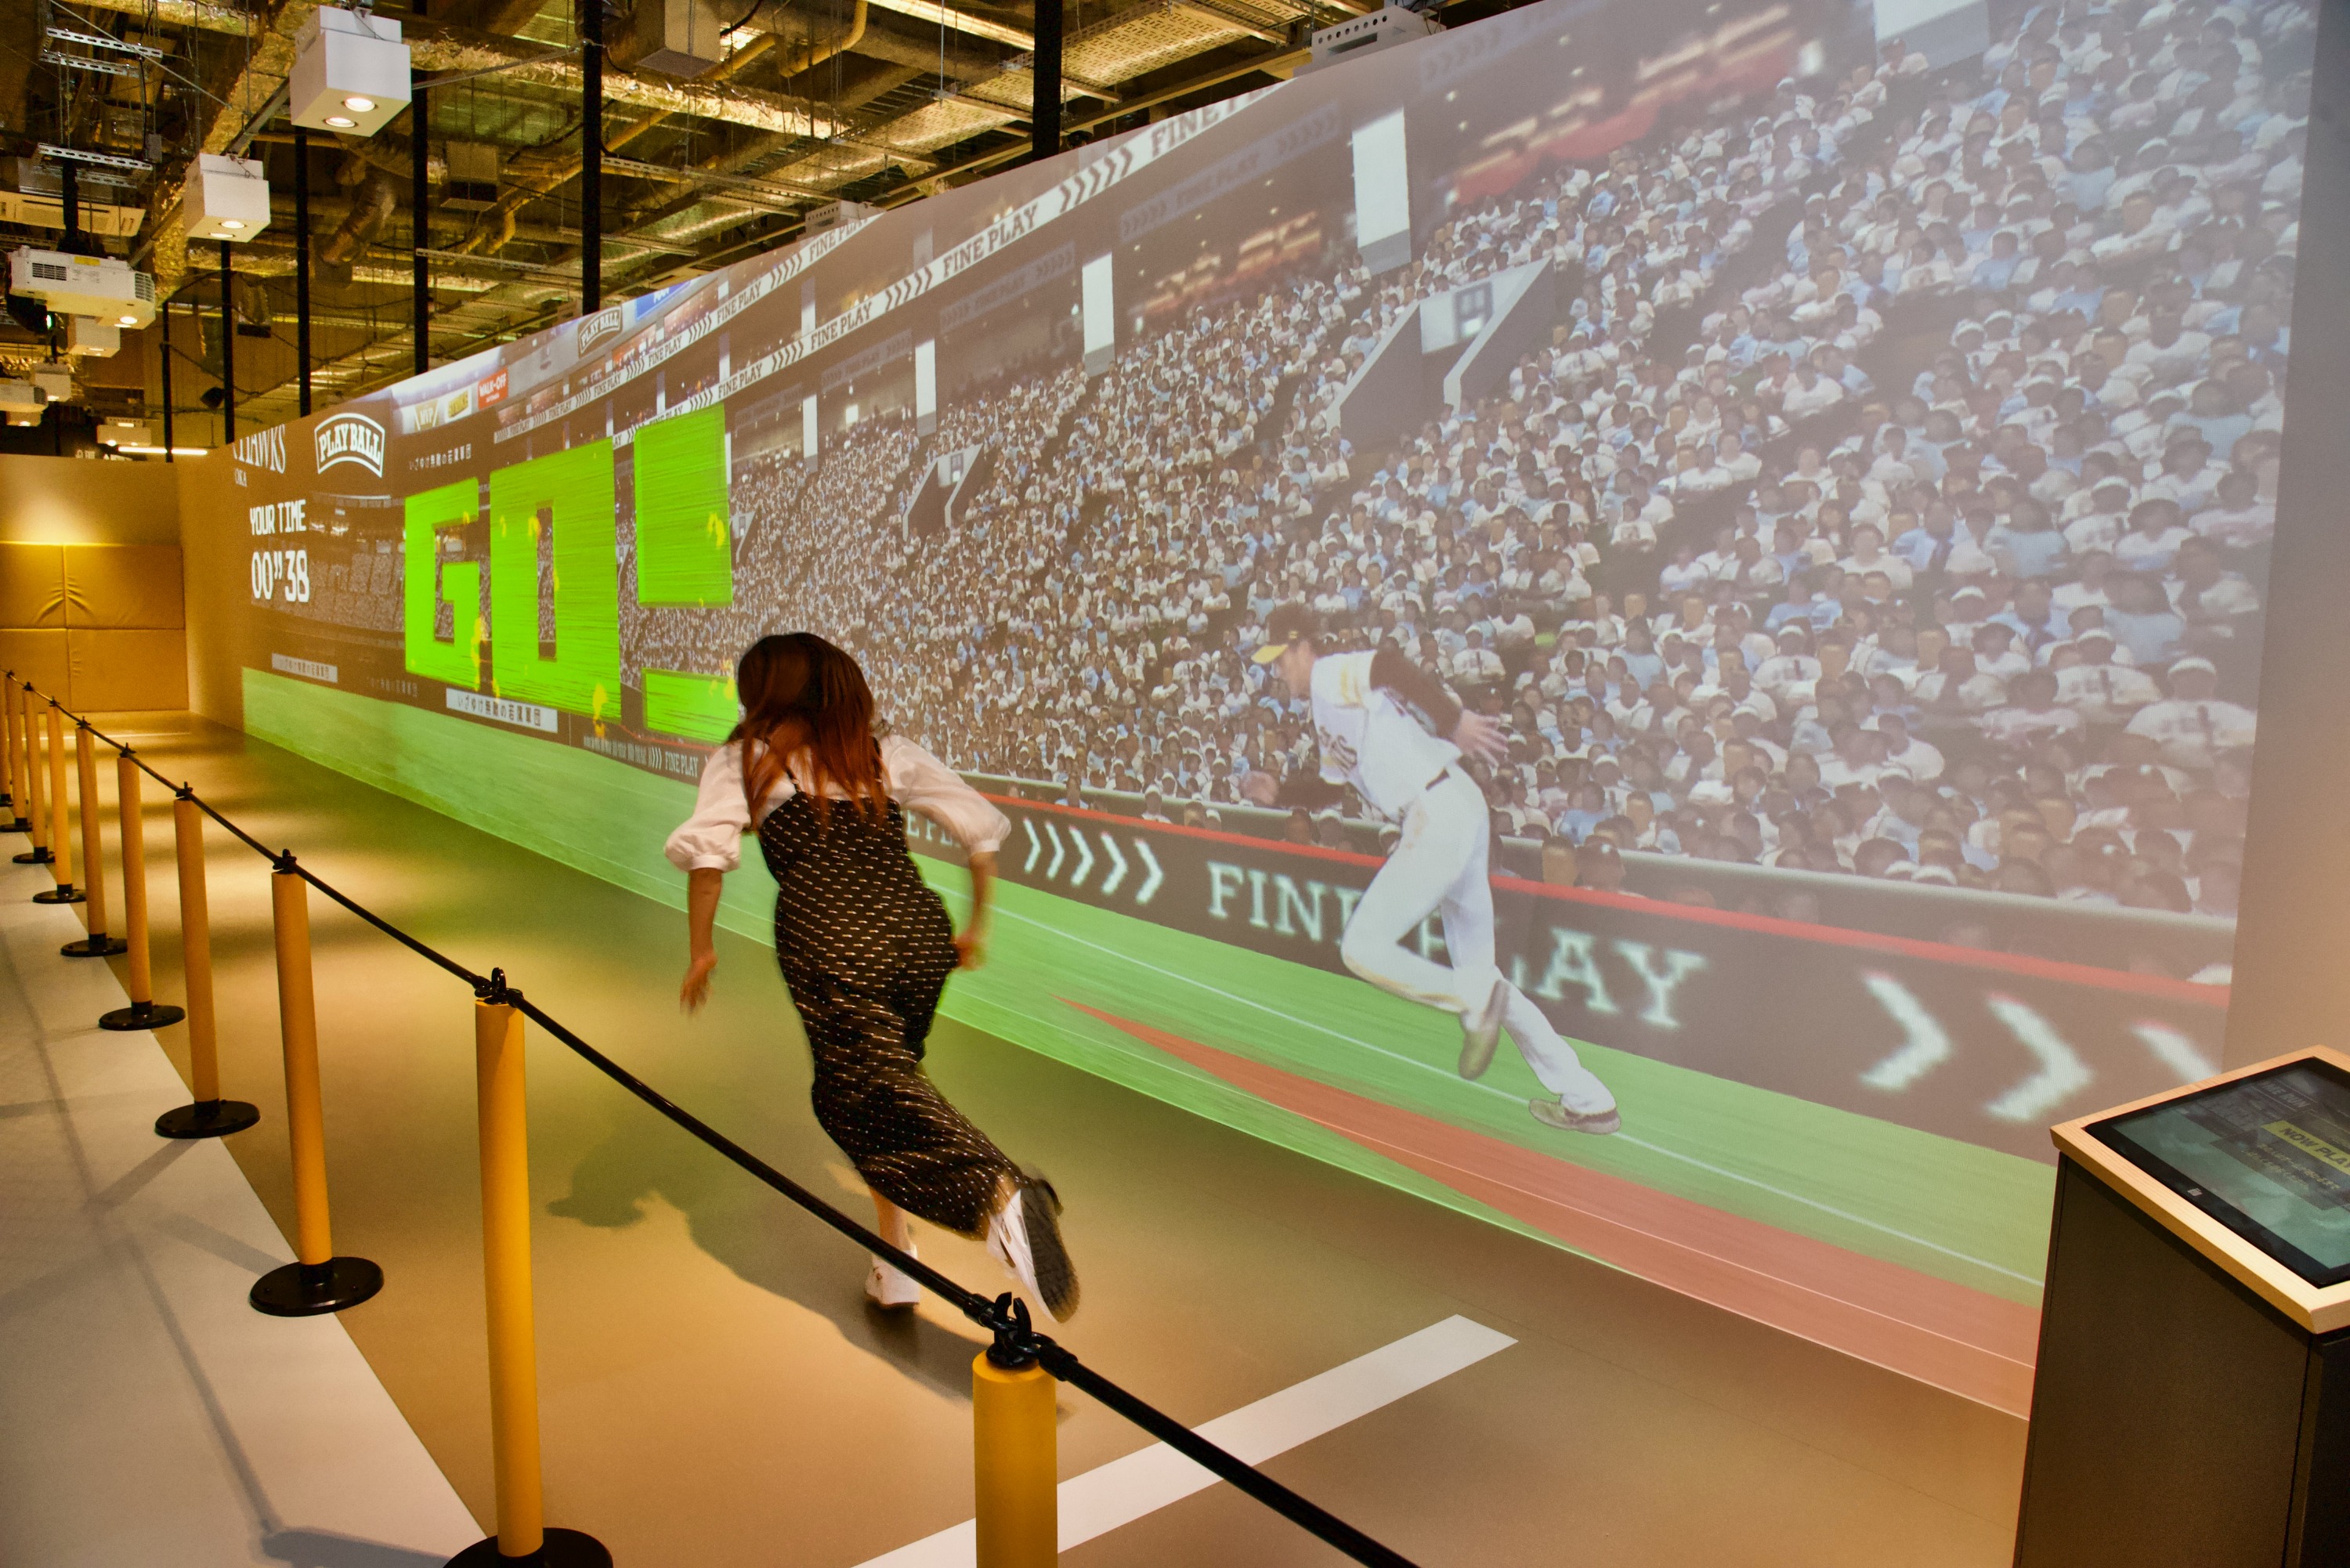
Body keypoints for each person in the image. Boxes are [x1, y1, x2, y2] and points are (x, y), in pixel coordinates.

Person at [666, 634, 1078, 1321]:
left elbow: (707, 860)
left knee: (854, 1096)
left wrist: (701, 950)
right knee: (887, 1083)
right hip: (916, 930)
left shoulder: (746, 760)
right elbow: (979, 831)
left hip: (832, 932)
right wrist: (975, 926)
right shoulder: (882, 753)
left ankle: (998, 1196)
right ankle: (896, 1261)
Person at [1242, 605, 1619, 1136]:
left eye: (1281, 659)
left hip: (1436, 810)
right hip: (1455, 805)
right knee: (1484, 978)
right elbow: (1332, 786)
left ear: (1302, 646)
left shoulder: (1329, 673)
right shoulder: (1327, 707)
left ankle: (1475, 1000)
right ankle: (1589, 1099)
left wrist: (1452, 720)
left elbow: (1389, 664)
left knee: (1362, 948)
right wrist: (1280, 792)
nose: (1278, 672)